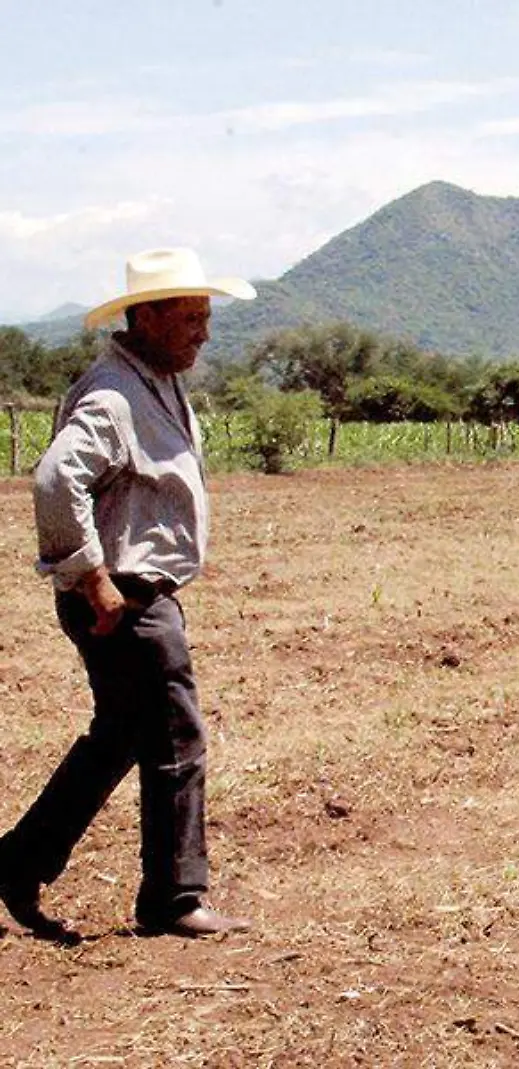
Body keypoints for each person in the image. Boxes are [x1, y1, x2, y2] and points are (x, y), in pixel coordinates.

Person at [0, 248, 255, 940]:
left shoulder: (158, 382)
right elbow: (56, 480)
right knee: (177, 735)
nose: (203, 331)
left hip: (137, 592)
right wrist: (92, 575)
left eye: (206, 317)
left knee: (118, 737)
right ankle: (174, 898)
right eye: (190, 318)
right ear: (145, 317)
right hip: (126, 598)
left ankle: (16, 864)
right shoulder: (114, 394)